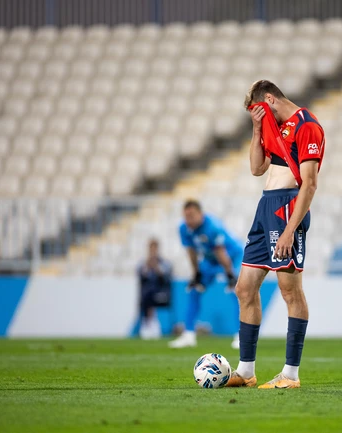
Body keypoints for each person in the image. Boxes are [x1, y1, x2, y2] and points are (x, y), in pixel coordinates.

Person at [226, 80, 324, 389]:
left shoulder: (307, 126)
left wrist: (290, 230)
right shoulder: (273, 128)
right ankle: (246, 371)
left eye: (258, 111)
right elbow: (257, 168)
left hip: (287, 207)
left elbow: (309, 184)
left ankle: (290, 375)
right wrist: (256, 129)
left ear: (269, 99)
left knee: (289, 290)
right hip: (265, 206)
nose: (258, 117)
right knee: (244, 289)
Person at [169, 199, 244, 349]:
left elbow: (220, 251)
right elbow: (191, 251)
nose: (188, 220)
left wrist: (230, 275)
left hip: (231, 257)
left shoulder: (212, 226)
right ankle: (188, 334)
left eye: (192, 216)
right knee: (194, 290)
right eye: (186, 216)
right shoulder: (184, 229)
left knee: (237, 292)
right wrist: (196, 273)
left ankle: (242, 335)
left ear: (200, 214)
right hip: (210, 260)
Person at [137, 238, 173, 339]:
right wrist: (148, 266)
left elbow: (166, 275)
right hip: (147, 294)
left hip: (161, 293)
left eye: (154, 248)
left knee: (149, 294)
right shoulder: (143, 263)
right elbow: (140, 274)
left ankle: (151, 322)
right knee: (146, 294)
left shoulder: (164, 263)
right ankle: (148, 322)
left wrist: (156, 267)